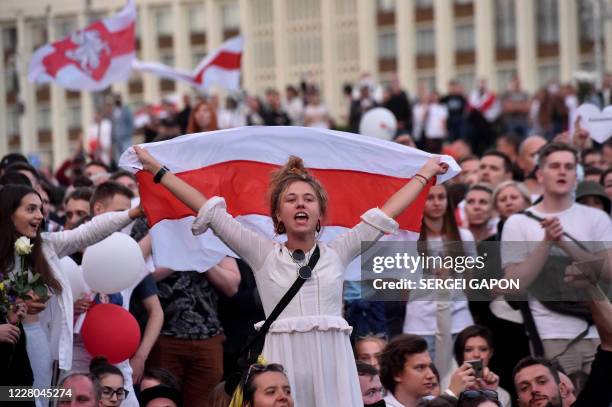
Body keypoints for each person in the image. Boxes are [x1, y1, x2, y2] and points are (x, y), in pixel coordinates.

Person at [134, 146, 448, 407]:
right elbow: (209, 211)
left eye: (308, 199)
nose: (300, 203)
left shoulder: (339, 251)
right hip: (281, 365)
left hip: (332, 365)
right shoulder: (262, 253)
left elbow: (387, 212)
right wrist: (158, 170)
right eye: (291, 199)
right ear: (278, 216)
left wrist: (425, 174)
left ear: (320, 214)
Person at [0, 185, 143, 389]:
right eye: (31, 209)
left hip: (39, 342)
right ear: (8, 212)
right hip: (7, 353)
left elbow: (88, 233)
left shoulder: (46, 246)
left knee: (37, 398)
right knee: (9, 397)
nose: (40, 216)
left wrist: (131, 214)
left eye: (41, 209)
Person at [501, 142, 612, 375]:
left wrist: (565, 244)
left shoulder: (597, 217)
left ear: (576, 174)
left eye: (568, 166)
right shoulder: (517, 222)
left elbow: (609, 272)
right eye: (554, 166)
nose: (562, 171)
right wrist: (546, 243)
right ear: (540, 174)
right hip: (550, 335)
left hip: (600, 333)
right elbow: (513, 285)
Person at [453, 326, 511, 407]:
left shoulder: (502, 395)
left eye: (483, 349)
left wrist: (489, 394)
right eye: (468, 350)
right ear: (461, 354)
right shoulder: (449, 386)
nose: (476, 355)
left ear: (490, 353)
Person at [379, 334, 437, 407]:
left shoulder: (434, 402)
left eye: (429, 366)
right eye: (420, 367)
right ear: (397, 374)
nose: (431, 375)